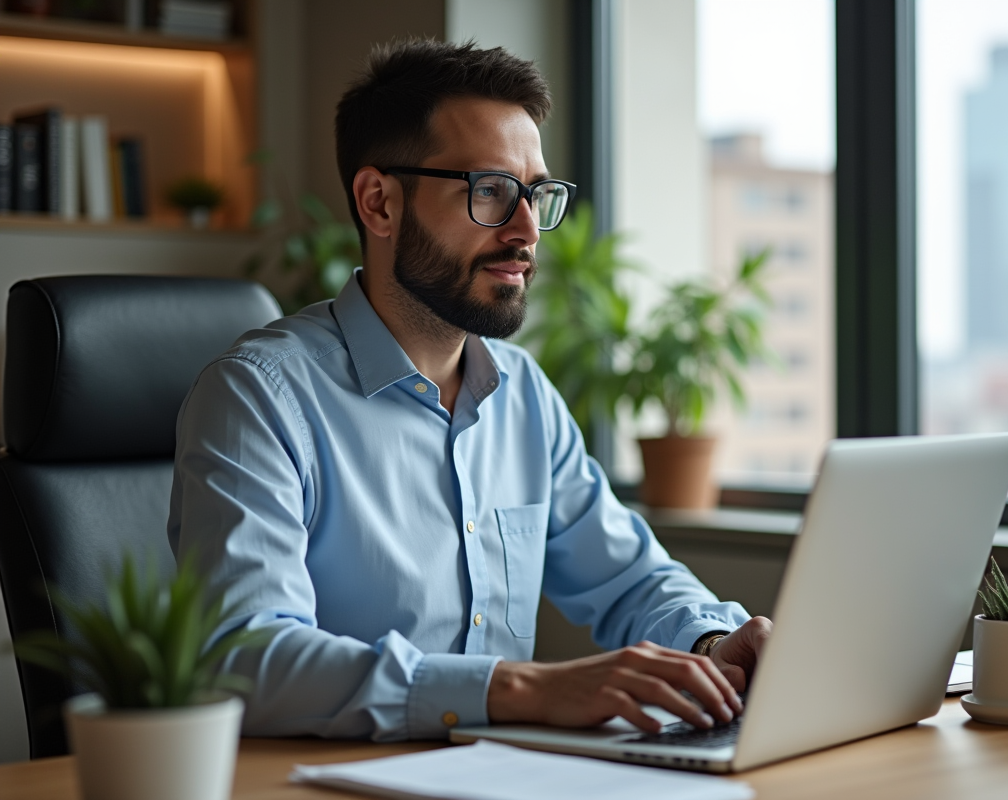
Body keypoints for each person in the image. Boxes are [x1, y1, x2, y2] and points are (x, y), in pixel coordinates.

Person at [168, 38, 772, 742]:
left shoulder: (523, 395)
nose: (526, 232)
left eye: (537, 195)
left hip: (495, 780)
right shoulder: (257, 399)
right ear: (379, 203)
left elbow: (630, 578)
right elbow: (247, 656)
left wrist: (709, 645)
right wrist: (521, 688)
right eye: (490, 191)